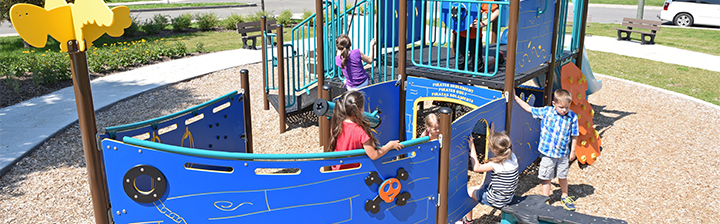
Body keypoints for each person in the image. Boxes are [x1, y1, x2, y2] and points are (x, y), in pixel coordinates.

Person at [514, 89, 579, 211]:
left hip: (563, 153)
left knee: (563, 175)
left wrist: (573, 151)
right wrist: (515, 98)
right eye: (561, 107)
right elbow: (529, 109)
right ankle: (545, 199)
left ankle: (565, 196)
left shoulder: (572, 117)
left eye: (567, 107)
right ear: (554, 104)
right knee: (546, 177)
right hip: (548, 154)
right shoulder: (547, 111)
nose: (564, 110)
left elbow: (574, 135)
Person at [329, 90, 404, 170]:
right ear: (361, 109)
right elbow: (373, 155)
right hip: (354, 172)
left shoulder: (337, 126)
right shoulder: (361, 132)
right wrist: (390, 145)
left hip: (337, 170)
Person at [457, 128, 518, 224]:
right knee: (476, 187)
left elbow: (476, 168)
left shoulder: (497, 164)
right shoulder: (512, 156)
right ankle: (468, 219)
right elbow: (498, 145)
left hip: (498, 199)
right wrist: (491, 132)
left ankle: (468, 221)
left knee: (469, 192)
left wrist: (472, 146)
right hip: (507, 196)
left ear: (494, 150)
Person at [452, 0, 501, 72]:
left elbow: (496, 11)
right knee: (460, 64)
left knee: (477, 67)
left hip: (474, 35)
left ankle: (498, 59)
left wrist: (484, 23)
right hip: (459, 33)